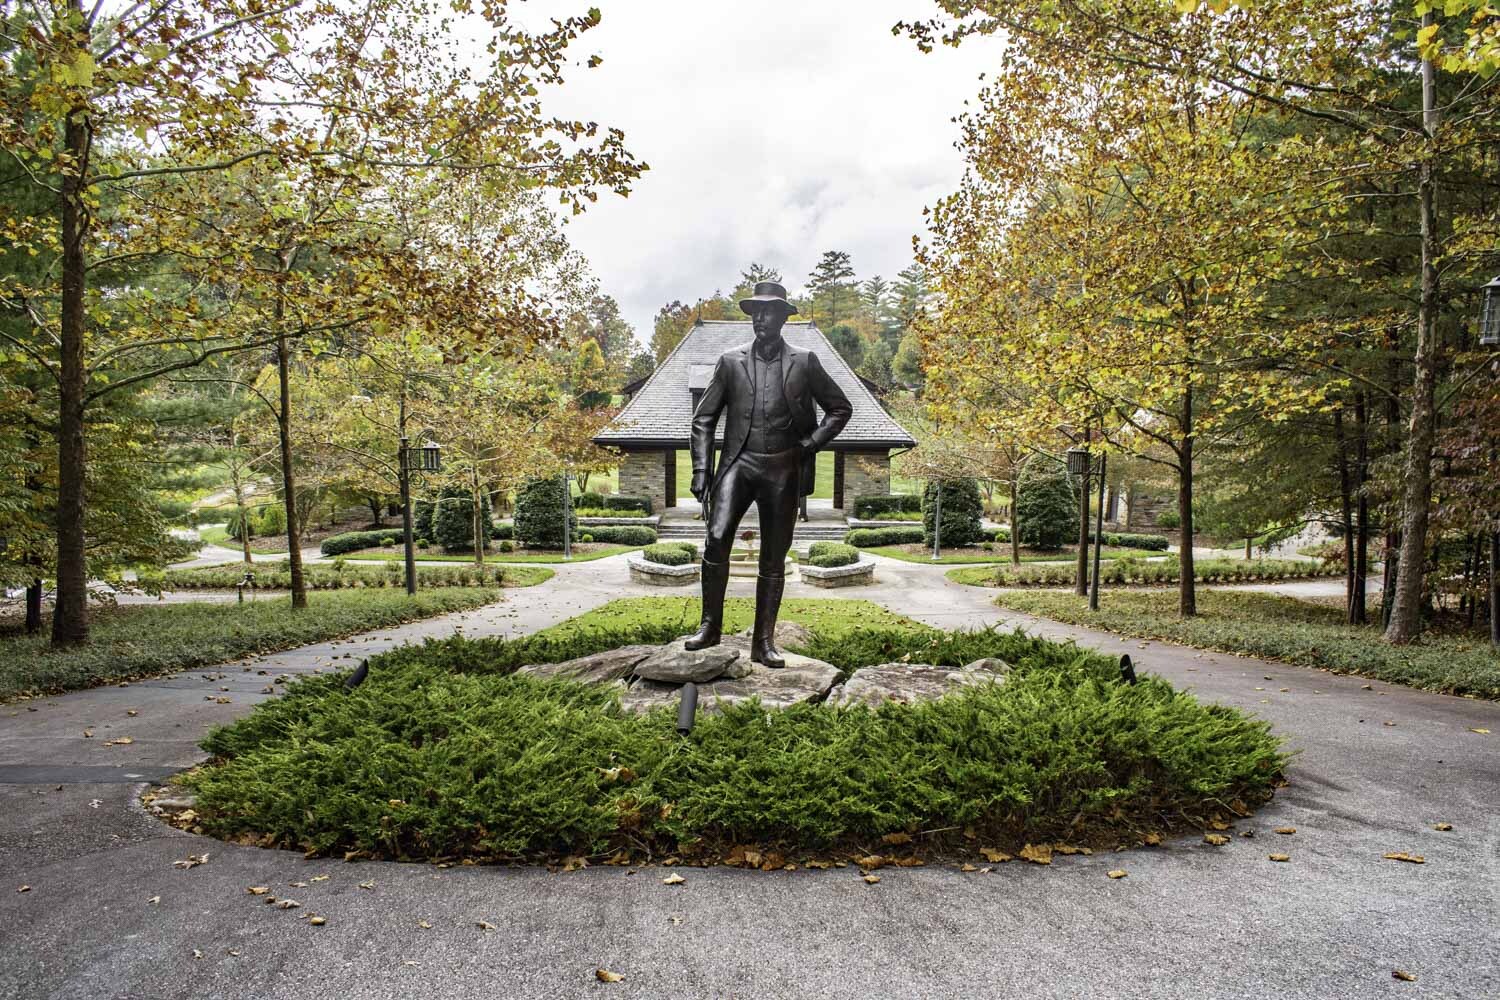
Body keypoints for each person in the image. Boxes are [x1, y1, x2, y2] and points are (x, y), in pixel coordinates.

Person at [684, 281, 852, 666]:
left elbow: (840, 408)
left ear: (782, 317)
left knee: (774, 556)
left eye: (768, 312)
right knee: (716, 536)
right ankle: (710, 627)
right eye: (755, 312)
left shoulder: (805, 361)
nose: (760, 318)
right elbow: (703, 419)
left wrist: (811, 443)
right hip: (738, 463)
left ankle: (764, 642)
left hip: (783, 466)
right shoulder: (729, 361)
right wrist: (700, 469)